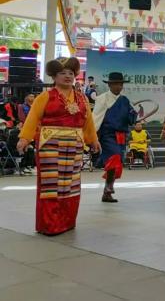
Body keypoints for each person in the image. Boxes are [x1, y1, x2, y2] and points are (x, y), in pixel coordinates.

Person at [17, 57, 100, 236]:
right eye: (62, 73)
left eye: (71, 73)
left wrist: (93, 139)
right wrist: (24, 138)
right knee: (51, 185)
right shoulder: (45, 97)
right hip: (50, 145)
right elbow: (32, 118)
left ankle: (67, 221)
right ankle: (50, 224)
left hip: (75, 145)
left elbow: (88, 122)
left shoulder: (82, 98)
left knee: (71, 184)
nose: (68, 76)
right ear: (54, 76)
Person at [92, 72, 137, 203]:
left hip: (121, 135)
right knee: (115, 157)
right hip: (107, 135)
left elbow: (131, 118)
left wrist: (133, 114)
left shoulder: (125, 100)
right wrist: (93, 136)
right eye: (116, 84)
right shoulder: (102, 99)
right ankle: (108, 187)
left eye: (120, 84)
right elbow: (96, 117)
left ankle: (107, 192)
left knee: (117, 161)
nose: (118, 86)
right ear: (110, 85)